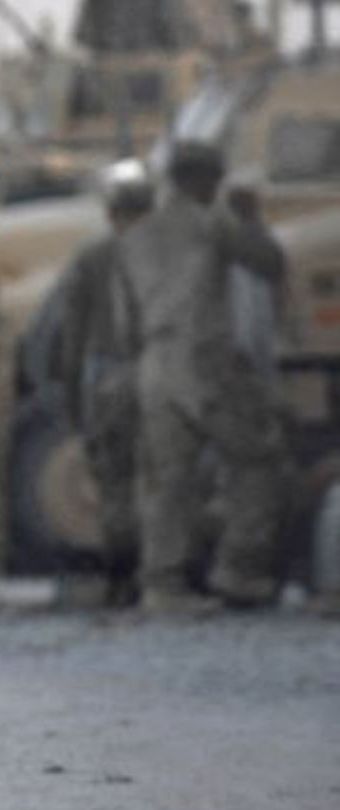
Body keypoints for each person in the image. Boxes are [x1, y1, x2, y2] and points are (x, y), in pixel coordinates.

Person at [116, 140, 288, 613]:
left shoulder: (136, 235)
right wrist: (250, 217)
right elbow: (269, 264)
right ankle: (239, 570)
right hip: (204, 362)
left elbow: (123, 319)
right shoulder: (212, 222)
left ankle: (162, 585)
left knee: (167, 479)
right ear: (206, 179)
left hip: (154, 365)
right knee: (258, 458)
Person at [48, 175, 155, 607]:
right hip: (154, 376)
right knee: (157, 480)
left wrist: (73, 401)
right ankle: (159, 576)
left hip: (104, 378)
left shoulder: (92, 256)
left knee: (113, 484)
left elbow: (72, 334)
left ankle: (119, 578)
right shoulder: (164, 255)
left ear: (111, 215)